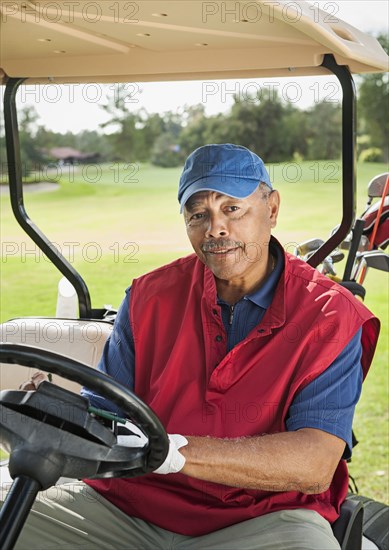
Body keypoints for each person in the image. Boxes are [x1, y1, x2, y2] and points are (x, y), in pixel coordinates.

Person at [10, 144, 380, 549]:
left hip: (263, 519)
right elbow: (106, 413)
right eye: (198, 214)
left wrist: (177, 452)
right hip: (128, 506)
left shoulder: (330, 315)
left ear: (271, 208)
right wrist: (58, 412)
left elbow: (313, 464)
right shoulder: (150, 296)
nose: (215, 229)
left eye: (232, 209)